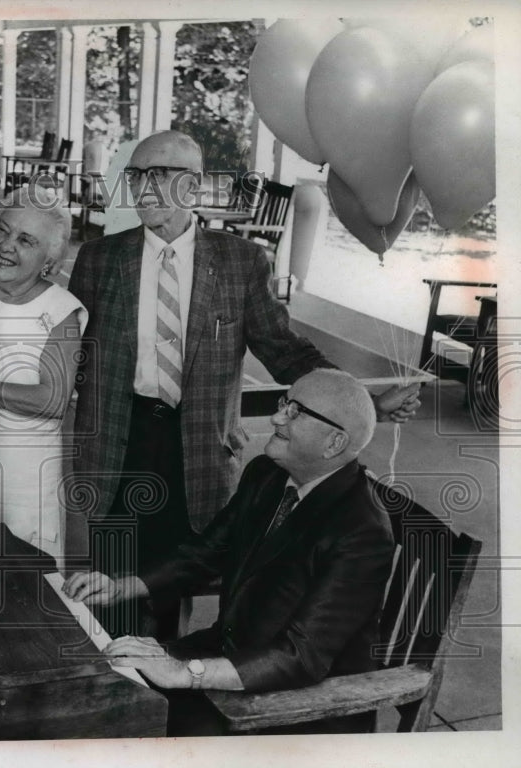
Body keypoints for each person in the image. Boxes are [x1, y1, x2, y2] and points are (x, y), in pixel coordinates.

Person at [66, 129, 418, 638]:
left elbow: (284, 349)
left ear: (192, 187)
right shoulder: (100, 259)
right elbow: (70, 348)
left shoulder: (241, 261)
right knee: (112, 584)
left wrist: (361, 402)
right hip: (116, 443)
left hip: (196, 450)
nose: (142, 188)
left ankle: (164, 679)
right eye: (136, 175)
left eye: (158, 176)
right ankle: (120, 687)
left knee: (171, 583)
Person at [64, 369, 395, 735]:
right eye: (284, 403)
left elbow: (302, 656)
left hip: (302, 707)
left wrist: (185, 673)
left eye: (296, 412)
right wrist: (122, 587)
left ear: (334, 443)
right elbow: (206, 552)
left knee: (124, 724)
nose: (276, 417)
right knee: (101, 689)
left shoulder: (362, 531)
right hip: (231, 660)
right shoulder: (266, 474)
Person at [0, 185, 87, 564]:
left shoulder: (61, 311)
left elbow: (52, 400)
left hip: (26, 480)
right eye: (2, 230)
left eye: (26, 240)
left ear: (49, 263)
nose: (7, 245)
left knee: (24, 582)